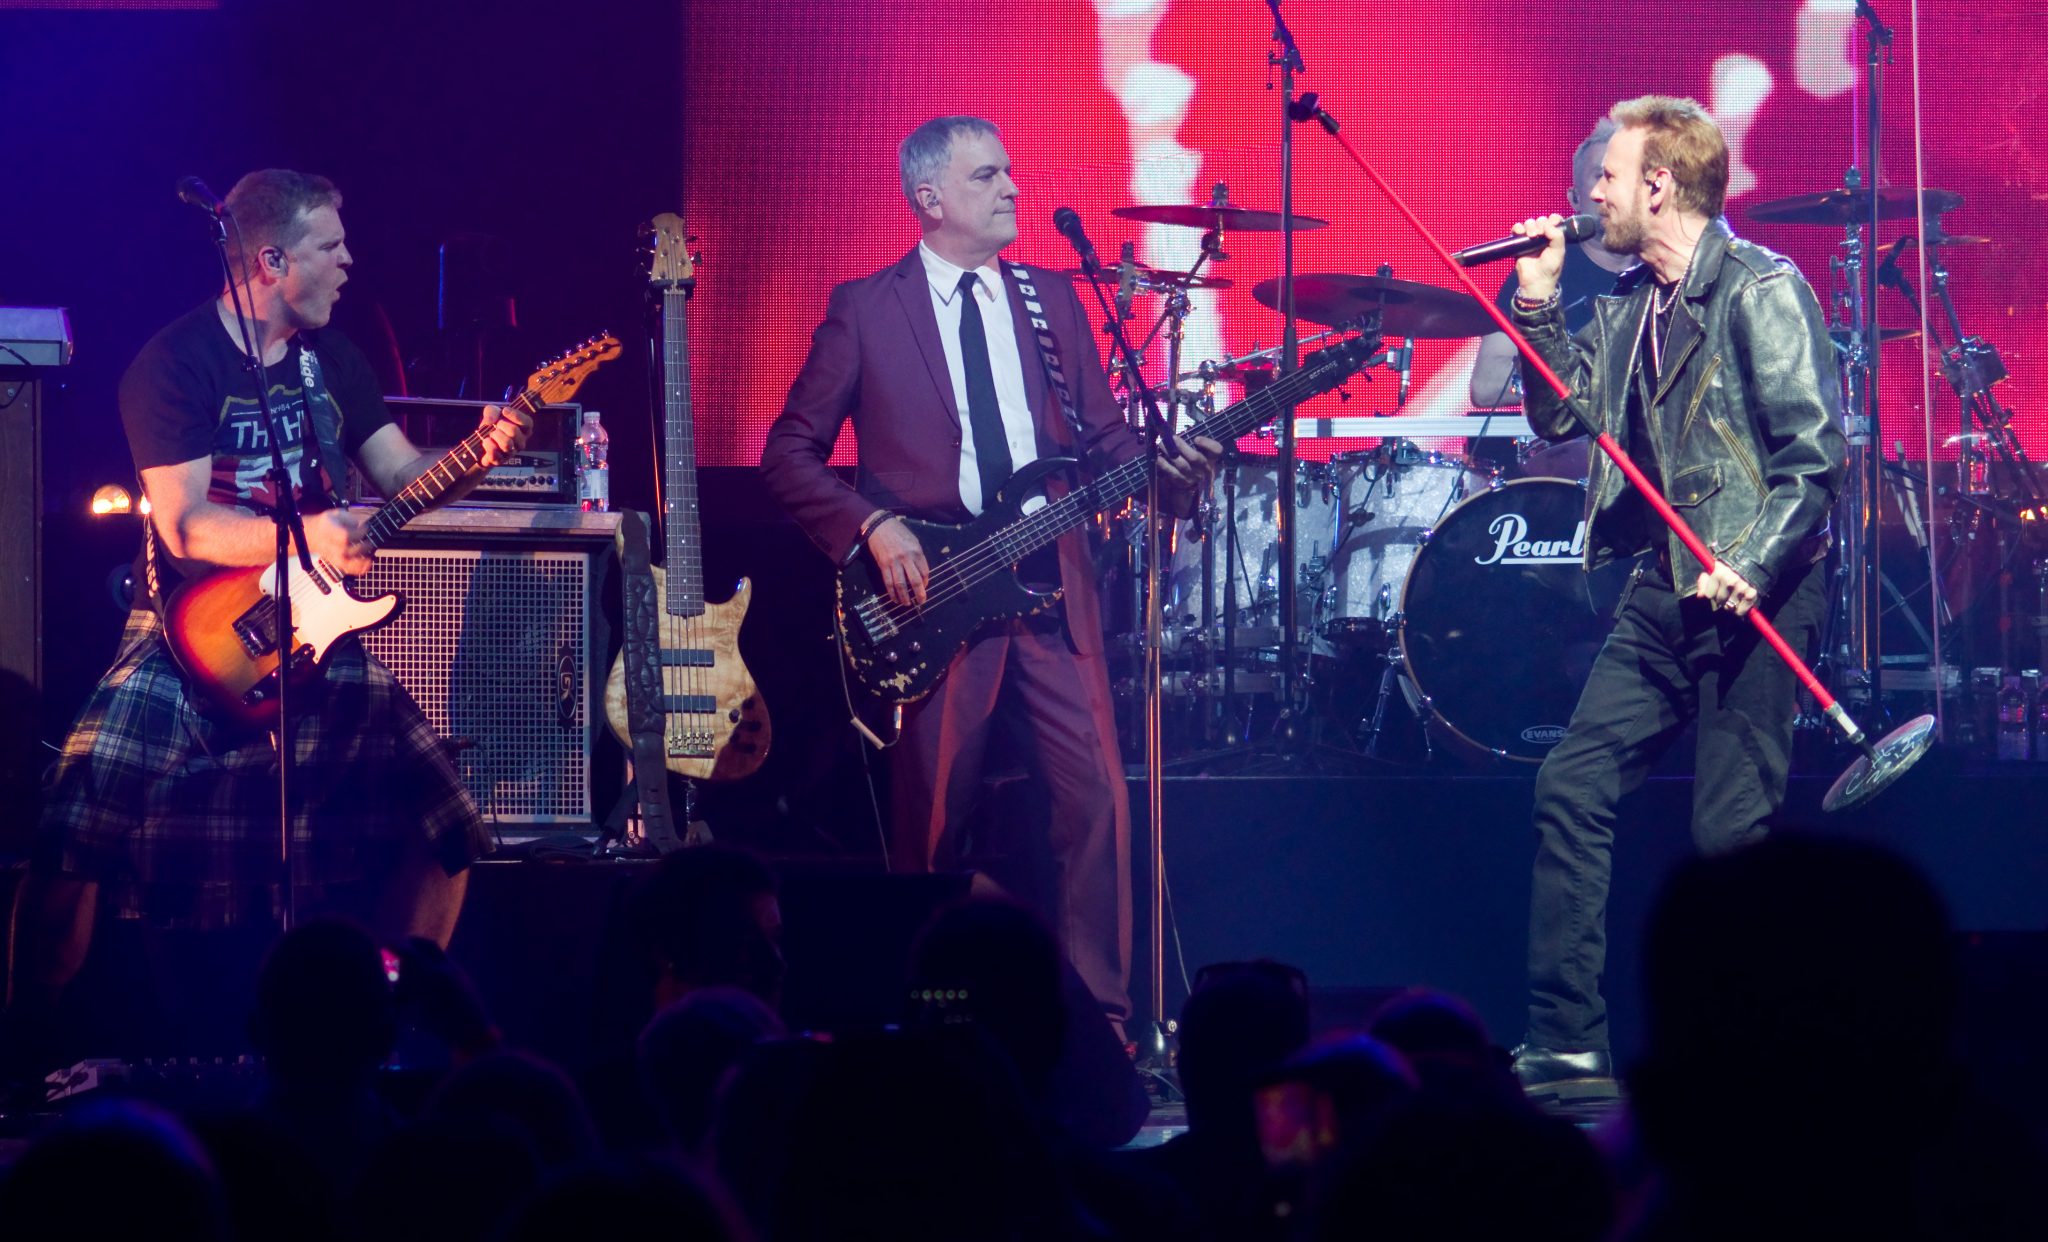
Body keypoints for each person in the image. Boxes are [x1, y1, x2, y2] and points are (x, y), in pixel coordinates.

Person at [15, 170, 530, 1058]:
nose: (350, 261)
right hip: (190, 633)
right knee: (75, 824)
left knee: (446, 820)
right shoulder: (174, 364)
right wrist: (308, 535)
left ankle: (383, 1019)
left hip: (314, 627)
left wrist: (481, 454)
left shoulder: (336, 363)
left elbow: (403, 476)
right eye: (331, 245)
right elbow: (185, 525)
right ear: (271, 261)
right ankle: (23, 1049)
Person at [760, 116, 1221, 1031]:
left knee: (1097, 805)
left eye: (1010, 171)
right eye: (987, 176)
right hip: (935, 597)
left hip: (1054, 586)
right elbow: (788, 454)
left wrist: (1169, 476)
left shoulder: (1052, 300)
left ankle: (1102, 1027)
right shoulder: (867, 309)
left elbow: (1107, 442)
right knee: (932, 824)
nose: (1012, 188)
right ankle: (926, 1022)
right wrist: (871, 527)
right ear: (929, 198)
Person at [1502, 97, 1846, 1100]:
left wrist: (1752, 560)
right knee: (1570, 785)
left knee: (1726, 839)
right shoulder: (1624, 306)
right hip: (1663, 590)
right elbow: (1557, 415)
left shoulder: (1760, 287)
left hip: (1756, 595)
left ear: (1658, 185)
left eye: (1605, 178)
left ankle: (1743, 1067)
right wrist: (1535, 301)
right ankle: (1567, 1042)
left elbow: (1811, 459)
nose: (1589, 196)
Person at [1469, 118, 1636, 411]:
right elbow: (1486, 386)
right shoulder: (1541, 269)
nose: (1609, 191)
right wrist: (1576, 379)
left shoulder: (1666, 270)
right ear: (1575, 198)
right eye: (1600, 175)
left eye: (1621, 177)